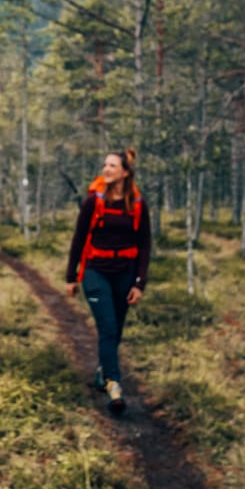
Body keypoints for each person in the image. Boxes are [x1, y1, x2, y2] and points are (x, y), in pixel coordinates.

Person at [65, 148, 151, 412]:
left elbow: (145, 245)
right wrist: (71, 276)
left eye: (112, 166)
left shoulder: (137, 205)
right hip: (95, 272)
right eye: (105, 165)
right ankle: (114, 386)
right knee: (108, 326)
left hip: (124, 273)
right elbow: (78, 239)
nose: (106, 169)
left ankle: (104, 370)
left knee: (116, 329)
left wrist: (139, 283)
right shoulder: (93, 202)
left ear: (125, 172)